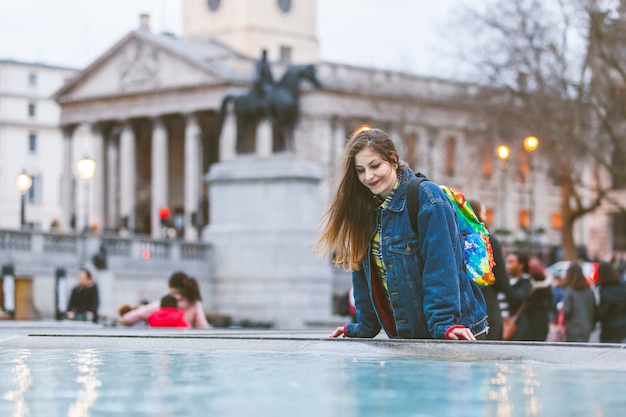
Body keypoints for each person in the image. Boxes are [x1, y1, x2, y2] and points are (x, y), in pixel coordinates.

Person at [314, 128, 488, 340]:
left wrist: (444, 324)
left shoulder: (427, 198)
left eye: (375, 166)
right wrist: (363, 327)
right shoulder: (365, 210)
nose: (368, 176)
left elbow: (441, 267)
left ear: (393, 160)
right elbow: (364, 277)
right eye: (360, 170)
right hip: (409, 336)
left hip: (454, 330)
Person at [467, 199, 512, 340]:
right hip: (487, 307)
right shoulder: (488, 241)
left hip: (463, 309)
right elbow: (502, 281)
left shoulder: (455, 238)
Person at [118, 271, 210, 329]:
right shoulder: (194, 303)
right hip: (186, 342)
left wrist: (124, 319)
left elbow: (142, 313)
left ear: (171, 285)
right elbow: (202, 326)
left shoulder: (167, 300)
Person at [561, 262, 596, 342]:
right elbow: (595, 310)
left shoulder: (569, 291)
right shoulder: (589, 291)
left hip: (573, 327)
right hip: (587, 326)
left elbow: (567, 311)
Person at [595, 261, 626, 343]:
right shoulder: (622, 286)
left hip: (609, 330)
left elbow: (602, 312)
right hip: (623, 329)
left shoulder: (605, 290)